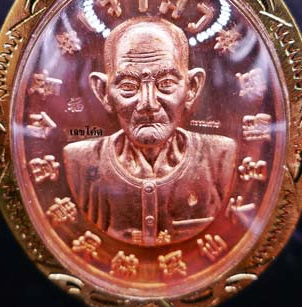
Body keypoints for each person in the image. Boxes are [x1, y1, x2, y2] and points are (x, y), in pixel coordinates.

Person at [63, 16, 236, 246]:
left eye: (166, 83)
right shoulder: (80, 162)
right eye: (128, 86)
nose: (148, 103)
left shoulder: (220, 158)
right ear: (104, 92)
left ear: (192, 87)